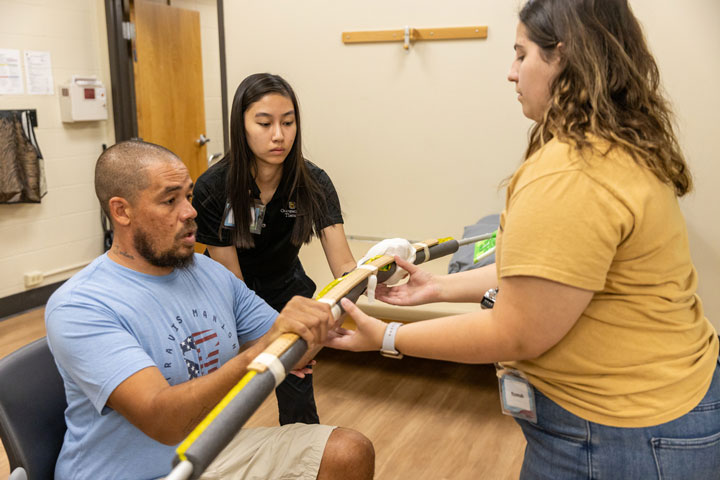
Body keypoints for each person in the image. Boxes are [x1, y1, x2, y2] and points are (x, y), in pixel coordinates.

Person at [326, 0, 720, 478]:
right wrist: (441, 288)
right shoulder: (620, 144)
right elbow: (550, 276)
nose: (510, 73)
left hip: (620, 432)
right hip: (665, 401)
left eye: (521, 54)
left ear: (565, 57)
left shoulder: (572, 171)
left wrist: (386, 336)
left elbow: (515, 330)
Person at [45, 140, 374, 480]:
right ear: (121, 211)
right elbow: (164, 422)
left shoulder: (209, 273)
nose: (190, 212)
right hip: (131, 473)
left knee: (348, 452)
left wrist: (332, 306)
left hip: (209, 452)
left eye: (188, 196)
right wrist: (261, 352)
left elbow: (298, 355)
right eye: (170, 200)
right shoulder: (81, 305)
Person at [192, 73, 356, 425]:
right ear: (242, 125)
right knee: (220, 402)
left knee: (297, 390)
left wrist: (347, 304)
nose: (279, 135)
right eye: (264, 123)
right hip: (228, 297)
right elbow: (232, 286)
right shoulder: (214, 187)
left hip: (287, 292)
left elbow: (345, 266)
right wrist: (265, 347)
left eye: (288, 122)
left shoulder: (313, 183)